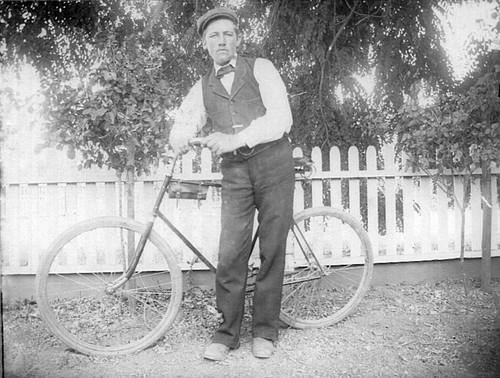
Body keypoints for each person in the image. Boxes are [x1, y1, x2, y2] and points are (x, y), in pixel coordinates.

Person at [169, 7, 295, 361]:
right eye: (213, 36)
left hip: (273, 162)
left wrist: (232, 139)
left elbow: (281, 119)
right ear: (205, 45)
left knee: (272, 248)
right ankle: (226, 334)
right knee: (230, 252)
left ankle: (265, 332)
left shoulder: (262, 68)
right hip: (236, 173)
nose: (221, 40)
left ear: (237, 39)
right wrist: (178, 136)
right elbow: (185, 119)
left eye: (227, 34)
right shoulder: (202, 86)